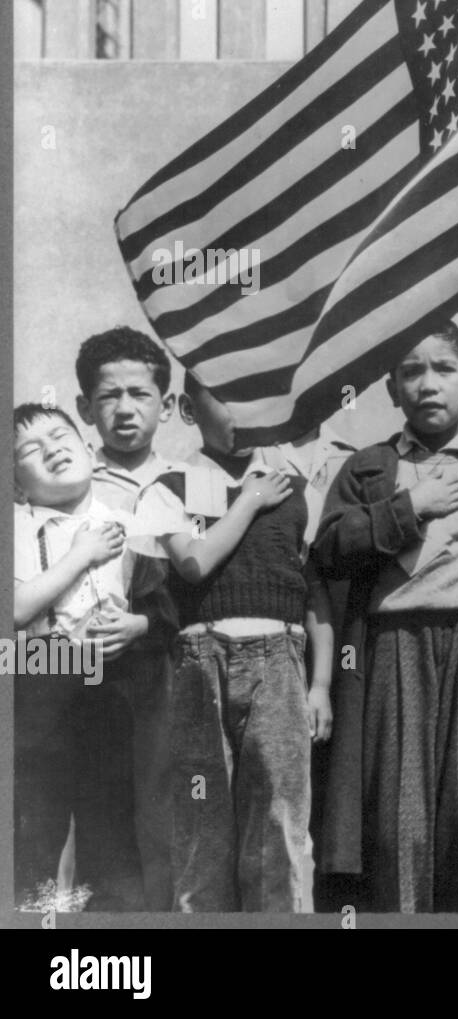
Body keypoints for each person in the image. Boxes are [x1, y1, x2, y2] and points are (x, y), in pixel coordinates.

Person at [313, 320, 458, 912]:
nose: (427, 384)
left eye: (443, 369)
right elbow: (330, 551)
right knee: (400, 819)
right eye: (411, 372)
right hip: (395, 647)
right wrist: (409, 507)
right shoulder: (368, 468)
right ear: (392, 390)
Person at [152, 374, 334, 912]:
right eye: (226, 400)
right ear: (188, 410)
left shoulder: (299, 491)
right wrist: (250, 500)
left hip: (279, 661)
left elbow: (316, 594)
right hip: (199, 664)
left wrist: (321, 685)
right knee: (202, 827)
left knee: (280, 822)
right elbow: (193, 561)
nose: (244, 413)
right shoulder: (169, 485)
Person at [12, 404, 149, 911]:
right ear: (17, 484)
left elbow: (155, 603)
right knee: (38, 819)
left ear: (89, 450)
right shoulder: (21, 524)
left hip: (108, 680)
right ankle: (32, 917)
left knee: (110, 816)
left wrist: (139, 624)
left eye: (60, 435)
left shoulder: (127, 523)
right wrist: (82, 554)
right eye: (30, 448)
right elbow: (18, 609)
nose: (51, 448)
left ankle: (111, 935)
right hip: (40, 672)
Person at [73, 327, 184, 911]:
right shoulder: (69, 485)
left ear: (165, 405)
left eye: (139, 394)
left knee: (167, 820)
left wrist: (146, 625)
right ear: (83, 407)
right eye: (108, 395)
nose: (123, 409)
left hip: (171, 674)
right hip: (91, 677)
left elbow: (206, 585)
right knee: (101, 819)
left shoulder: (192, 485)